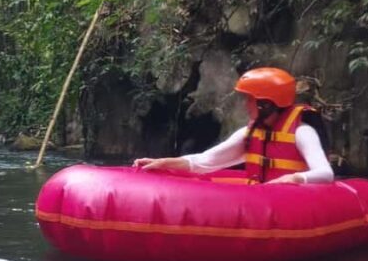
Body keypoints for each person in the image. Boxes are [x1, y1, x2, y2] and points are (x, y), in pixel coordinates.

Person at [134, 67, 334, 184]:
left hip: (292, 202)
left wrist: (294, 179)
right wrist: (163, 163)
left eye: (250, 100)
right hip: (263, 201)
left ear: (266, 104)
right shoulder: (249, 133)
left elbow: (325, 173)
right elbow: (204, 161)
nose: (246, 105)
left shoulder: (303, 132)